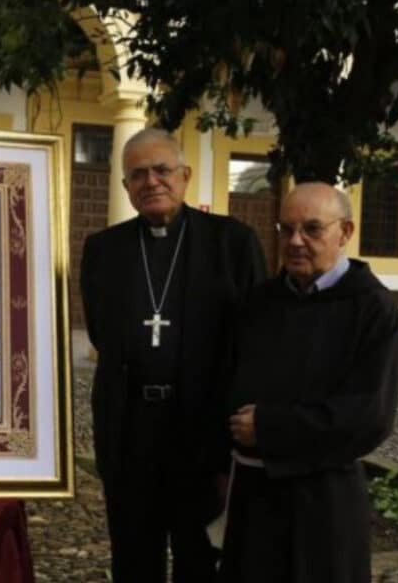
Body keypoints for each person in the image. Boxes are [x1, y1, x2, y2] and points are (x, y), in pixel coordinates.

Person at [80, 128, 266, 582]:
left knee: (199, 559)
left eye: (162, 170)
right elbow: (104, 335)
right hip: (130, 432)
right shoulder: (104, 250)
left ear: (184, 176)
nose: (152, 182)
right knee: (133, 559)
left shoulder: (232, 244)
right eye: (138, 174)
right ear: (125, 187)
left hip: (202, 434)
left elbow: (254, 346)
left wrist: (234, 448)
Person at [220, 183, 398, 583]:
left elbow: (370, 415)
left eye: (312, 229)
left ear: (346, 232)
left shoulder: (372, 308)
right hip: (256, 495)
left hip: (326, 499)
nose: (296, 241)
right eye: (286, 229)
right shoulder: (261, 302)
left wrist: (270, 427)